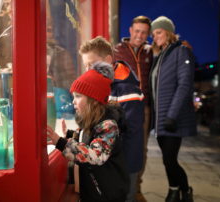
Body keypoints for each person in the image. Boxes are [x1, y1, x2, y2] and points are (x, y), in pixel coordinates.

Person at [47, 62, 130, 202]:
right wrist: (69, 134)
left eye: (78, 96)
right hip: (95, 191)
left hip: (108, 194)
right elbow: (86, 138)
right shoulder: (93, 120)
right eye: (73, 97)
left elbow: (94, 155)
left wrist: (61, 143)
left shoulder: (109, 126)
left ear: (94, 100)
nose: (73, 102)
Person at [79, 36, 144, 202]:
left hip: (123, 162)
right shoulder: (100, 83)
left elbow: (131, 130)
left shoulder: (126, 88)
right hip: (108, 159)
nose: (88, 69)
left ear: (108, 60)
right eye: (85, 65)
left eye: (91, 64)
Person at [149, 16, 196, 202]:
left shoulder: (181, 51)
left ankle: (182, 191)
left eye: (159, 32)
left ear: (168, 32)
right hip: (160, 119)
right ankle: (176, 191)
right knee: (167, 159)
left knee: (169, 159)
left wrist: (172, 115)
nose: (155, 37)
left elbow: (184, 84)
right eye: (153, 34)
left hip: (172, 117)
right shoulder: (160, 56)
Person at [113, 15, 153, 201]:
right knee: (120, 144)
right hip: (120, 104)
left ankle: (136, 188)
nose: (139, 35)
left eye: (144, 32)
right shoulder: (117, 50)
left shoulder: (149, 52)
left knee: (140, 149)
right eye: (137, 31)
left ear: (148, 34)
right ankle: (120, 185)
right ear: (130, 31)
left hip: (142, 106)